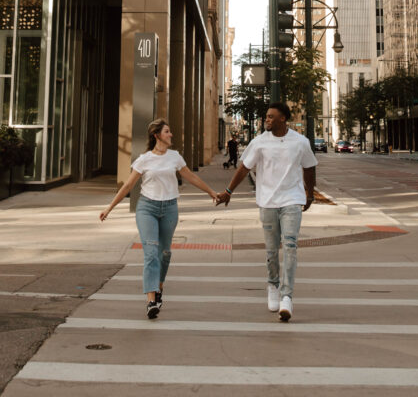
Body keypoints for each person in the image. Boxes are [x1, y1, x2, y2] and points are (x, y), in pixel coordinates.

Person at [99, 117, 221, 319]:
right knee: (150, 253)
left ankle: (159, 287)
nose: (171, 134)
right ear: (157, 135)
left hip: (170, 208)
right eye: (167, 132)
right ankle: (151, 300)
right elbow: (128, 186)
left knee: (164, 254)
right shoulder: (144, 159)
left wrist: (211, 192)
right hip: (147, 208)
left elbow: (191, 176)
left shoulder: (175, 157)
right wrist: (109, 208)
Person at [216, 102, 317, 322]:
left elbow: (309, 167)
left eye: (271, 117)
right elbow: (244, 168)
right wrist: (228, 191)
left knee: (290, 246)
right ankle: (272, 285)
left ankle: (286, 296)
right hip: (268, 202)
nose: (267, 120)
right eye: (266, 117)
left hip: (292, 200)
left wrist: (309, 195)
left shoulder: (300, 142)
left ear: (283, 119)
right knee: (272, 251)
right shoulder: (259, 142)